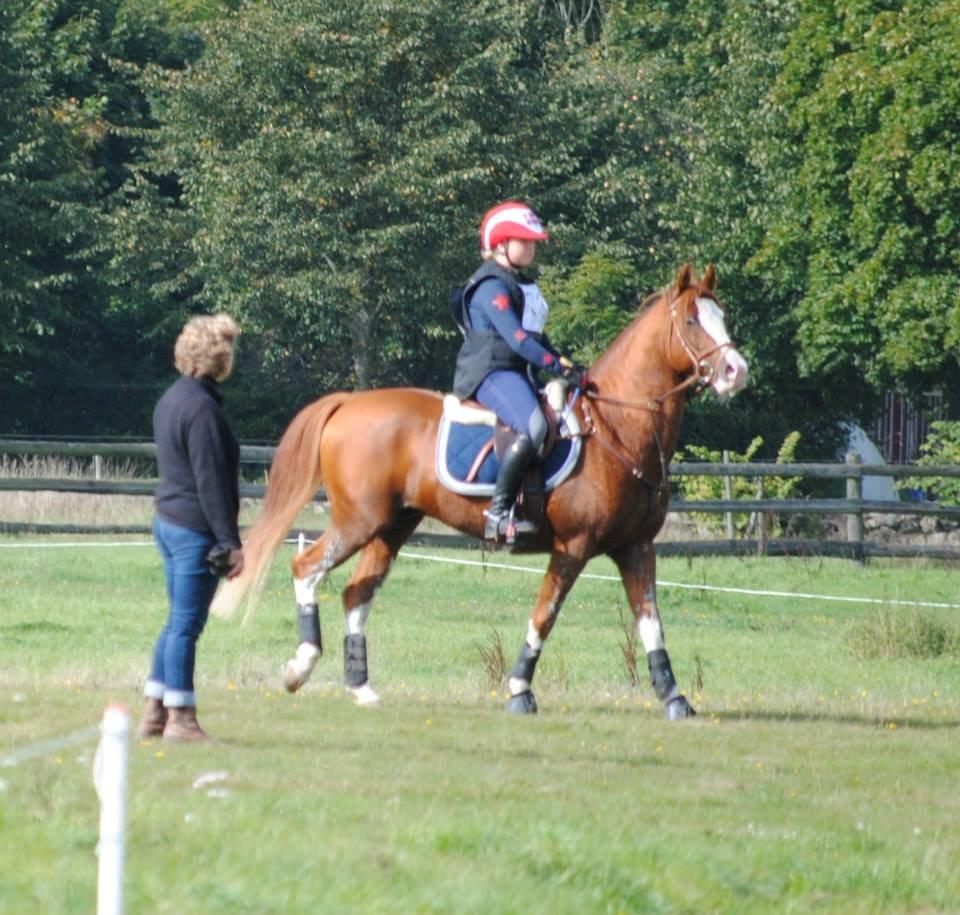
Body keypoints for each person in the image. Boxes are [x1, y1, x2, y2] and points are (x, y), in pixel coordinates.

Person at [137, 314, 245, 742]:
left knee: (176, 621)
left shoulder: (171, 399)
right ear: (220, 359)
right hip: (193, 529)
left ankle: (154, 710)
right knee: (185, 625)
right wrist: (230, 543)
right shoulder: (203, 410)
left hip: (168, 521)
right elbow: (211, 483)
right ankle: (180, 718)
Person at [452, 201, 586, 541]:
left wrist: (566, 363)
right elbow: (518, 340)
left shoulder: (522, 284)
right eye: (523, 241)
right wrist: (554, 365)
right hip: (490, 374)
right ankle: (498, 512)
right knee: (536, 425)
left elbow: (538, 338)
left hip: (518, 373)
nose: (531, 247)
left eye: (532, 242)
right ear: (499, 244)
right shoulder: (490, 286)